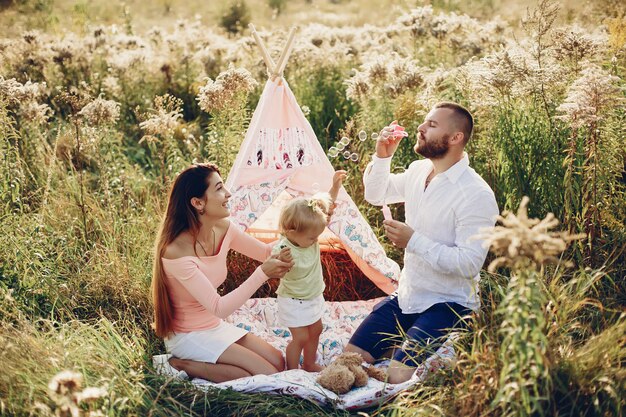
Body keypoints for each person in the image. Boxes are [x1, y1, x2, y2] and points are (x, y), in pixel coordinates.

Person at [344, 102, 499, 384]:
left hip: (449, 304)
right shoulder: (418, 171)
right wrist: (382, 157)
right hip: (408, 296)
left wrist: (413, 241)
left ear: (455, 138)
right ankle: (399, 343)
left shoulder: (476, 194)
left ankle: (404, 350)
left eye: (432, 125)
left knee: (396, 377)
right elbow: (376, 195)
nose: (420, 127)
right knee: (349, 361)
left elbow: (469, 263)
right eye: (425, 122)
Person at [151, 163, 294, 382]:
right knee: (269, 374)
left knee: (278, 362)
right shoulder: (176, 252)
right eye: (219, 188)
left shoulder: (223, 228)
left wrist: (301, 232)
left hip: (213, 326)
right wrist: (263, 274)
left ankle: (203, 364)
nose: (228, 194)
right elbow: (219, 307)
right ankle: (178, 364)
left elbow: (266, 251)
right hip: (189, 335)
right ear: (198, 203)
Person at [273, 170, 347, 372]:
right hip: (293, 301)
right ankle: (291, 369)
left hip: (312, 296)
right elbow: (273, 265)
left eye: (317, 236)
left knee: (316, 330)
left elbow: (326, 205)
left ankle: (309, 363)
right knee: (301, 336)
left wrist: (335, 186)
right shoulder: (284, 248)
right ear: (291, 232)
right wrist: (282, 261)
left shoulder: (308, 232)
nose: (315, 241)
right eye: (312, 238)